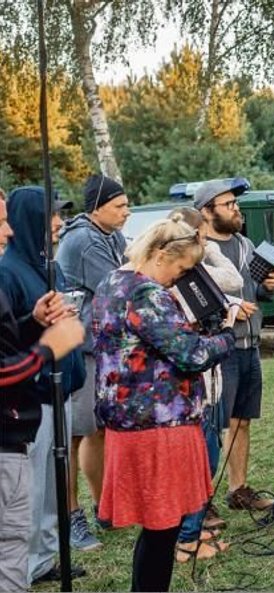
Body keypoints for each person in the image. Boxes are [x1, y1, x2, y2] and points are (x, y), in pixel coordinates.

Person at [92, 215, 237, 592]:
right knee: (162, 528)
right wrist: (226, 334)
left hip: (127, 421)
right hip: (158, 424)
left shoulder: (111, 282)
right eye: (180, 267)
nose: (180, 277)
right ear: (160, 253)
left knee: (157, 528)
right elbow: (192, 355)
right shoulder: (147, 293)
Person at [0, 187, 88, 584]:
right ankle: (27, 561)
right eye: (51, 215)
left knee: (53, 484)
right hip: (28, 399)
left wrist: (40, 318)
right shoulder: (8, 271)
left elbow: (17, 326)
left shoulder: (48, 265)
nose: (58, 223)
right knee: (28, 493)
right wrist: (44, 346)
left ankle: (43, 557)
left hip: (60, 389)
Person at [194, 178, 274, 514]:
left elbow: (259, 295)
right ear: (206, 211)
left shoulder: (245, 245)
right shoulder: (196, 248)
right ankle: (201, 499)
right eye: (228, 204)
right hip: (217, 351)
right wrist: (230, 305)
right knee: (213, 424)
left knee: (242, 420)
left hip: (249, 346)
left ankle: (238, 489)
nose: (236, 209)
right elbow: (194, 297)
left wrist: (269, 286)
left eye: (235, 204)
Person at [56, 173, 130, 551]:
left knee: (98, 430)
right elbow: (122, 283)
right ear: (96, 207)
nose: (126, 212)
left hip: (100, 348)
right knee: (75, 433)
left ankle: (105, 507)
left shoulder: (111, 234)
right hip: (77, 350)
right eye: (119, 206)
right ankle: (72, 519)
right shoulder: (83, 240)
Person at [166, 206, 242, 562]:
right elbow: (233, 280)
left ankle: (190, 529)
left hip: (203, 383)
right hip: (196, 384)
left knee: (204, 456)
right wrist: (208, 247)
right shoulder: (187, 274)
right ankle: (187, 536)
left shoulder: (188, 271)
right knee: (203, 457)